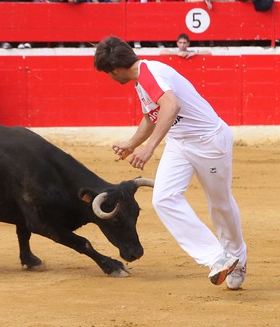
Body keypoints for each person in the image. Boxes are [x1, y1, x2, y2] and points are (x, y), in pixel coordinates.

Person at [94, 36, 247, 290]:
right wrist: (132, 144)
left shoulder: (149, 73)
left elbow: (171, 105)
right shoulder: (142, 79)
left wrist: (149, 147)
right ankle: (217, 258)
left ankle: (238, 258)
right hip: (180, 142)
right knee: (163, 198)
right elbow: (151, 116)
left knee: (219, 203)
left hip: (208, 141)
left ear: (116, 69)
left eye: (109, 74)